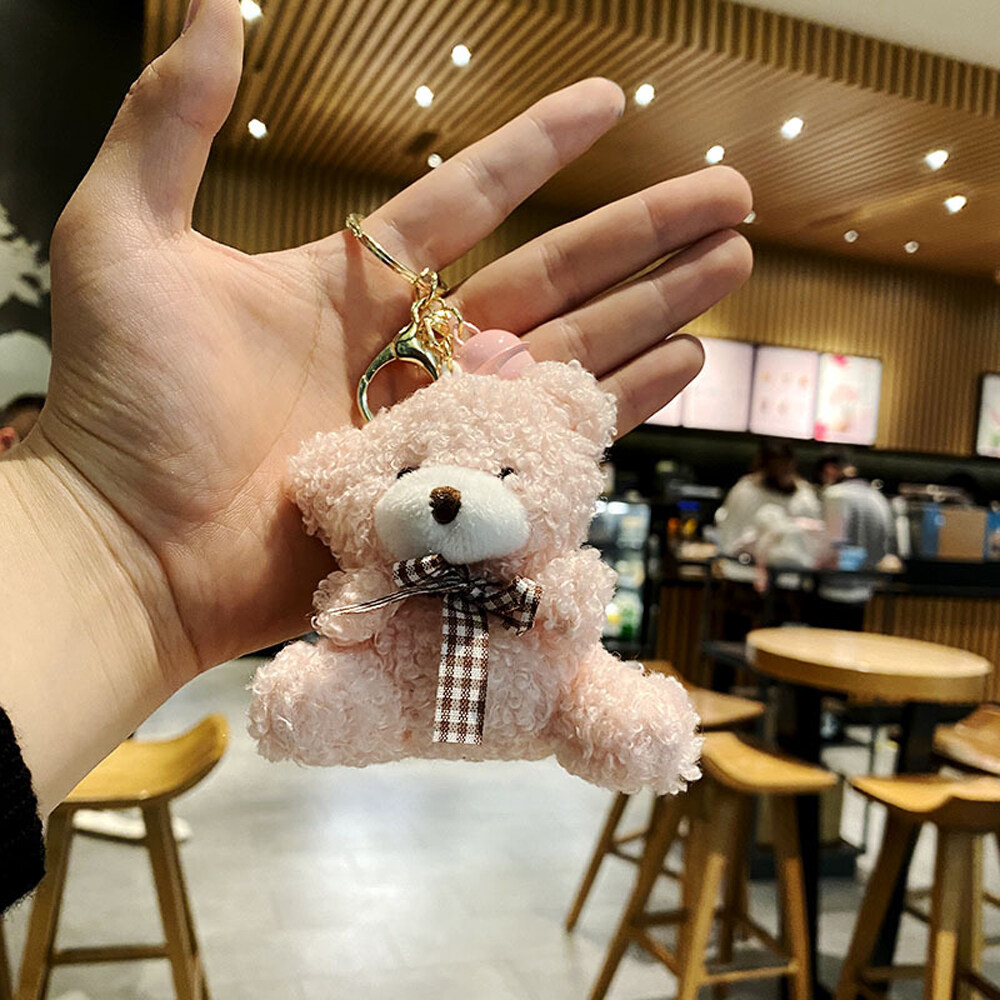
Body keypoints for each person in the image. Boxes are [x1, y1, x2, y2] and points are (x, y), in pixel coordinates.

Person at [0, 0, 752, 910]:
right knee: (325, 691)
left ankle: (622, 729)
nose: (446, 495)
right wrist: (93, 510)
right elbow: (352, 607)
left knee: (608, 704)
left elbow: (578, 597)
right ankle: (332, 710)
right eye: (406, 475)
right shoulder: (380, 570)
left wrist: (91, 529)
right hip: (395, 689)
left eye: (502, 477)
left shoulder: (534, 561)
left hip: (550, 690)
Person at [812, 450, 897, 630]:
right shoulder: (878, 498)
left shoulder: (835, 494)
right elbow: (887, 544)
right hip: (865, 593)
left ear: (829, 470)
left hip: (832, 591)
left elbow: (832, 544)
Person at [714, 440, 822, 566]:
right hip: (743, 569)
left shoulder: (804, 496)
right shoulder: (745, 492)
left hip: (792, 571)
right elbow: (730, 535)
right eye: (777, 465)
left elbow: (814, 542)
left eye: (786, 464)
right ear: (764, 466)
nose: (783, 469)